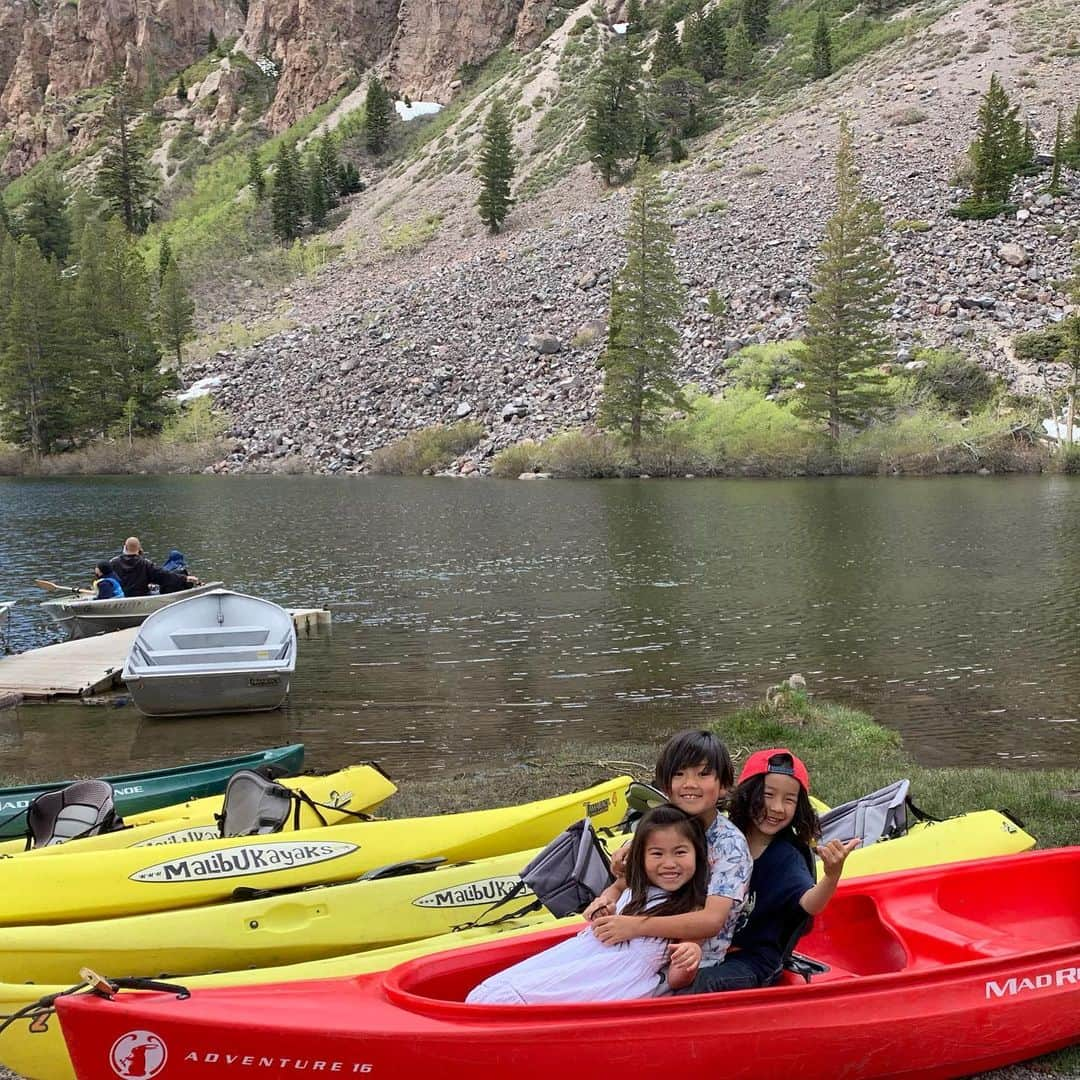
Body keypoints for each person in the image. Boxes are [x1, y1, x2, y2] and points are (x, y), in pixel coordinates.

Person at [465, 805, 709, 1004]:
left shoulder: (691, 908)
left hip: (614, 983)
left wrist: (689, 958)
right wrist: (604, 902)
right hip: (584, 954)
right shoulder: (636, 883)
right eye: (657, 854)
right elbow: (615, 889)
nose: (669, 863)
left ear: (698, 856)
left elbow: (677, 980)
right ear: (641, 858)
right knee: (498, 993)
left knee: (527, 1003)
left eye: (680, 853)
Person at [674, 748, 861, 995]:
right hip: (707, 946)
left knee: (701, 982)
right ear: (748, 794)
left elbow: (810, 903)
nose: (776, 808)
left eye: (789, 800)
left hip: (752, 961)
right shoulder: (725, 834)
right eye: (768, 795)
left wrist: (832, 875)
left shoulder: (787, 856)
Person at [585, 730, 753, 981]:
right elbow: (623, 882)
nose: (690, 784)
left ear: (724, 786)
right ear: (666, 785)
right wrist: (606, 901)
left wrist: (634, 926)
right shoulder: (663, 825)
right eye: (679, 774)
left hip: (689, 963)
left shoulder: (730, 846)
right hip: (635, 945)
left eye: (703, 774)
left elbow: (711, 921)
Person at [110, 537, 200, 597]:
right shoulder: (145, 563)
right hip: (141, 596)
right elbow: (165, 576)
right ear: (139, 548)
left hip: (120, 596)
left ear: (125, 547)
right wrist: (185, 578)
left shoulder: (113, 563)